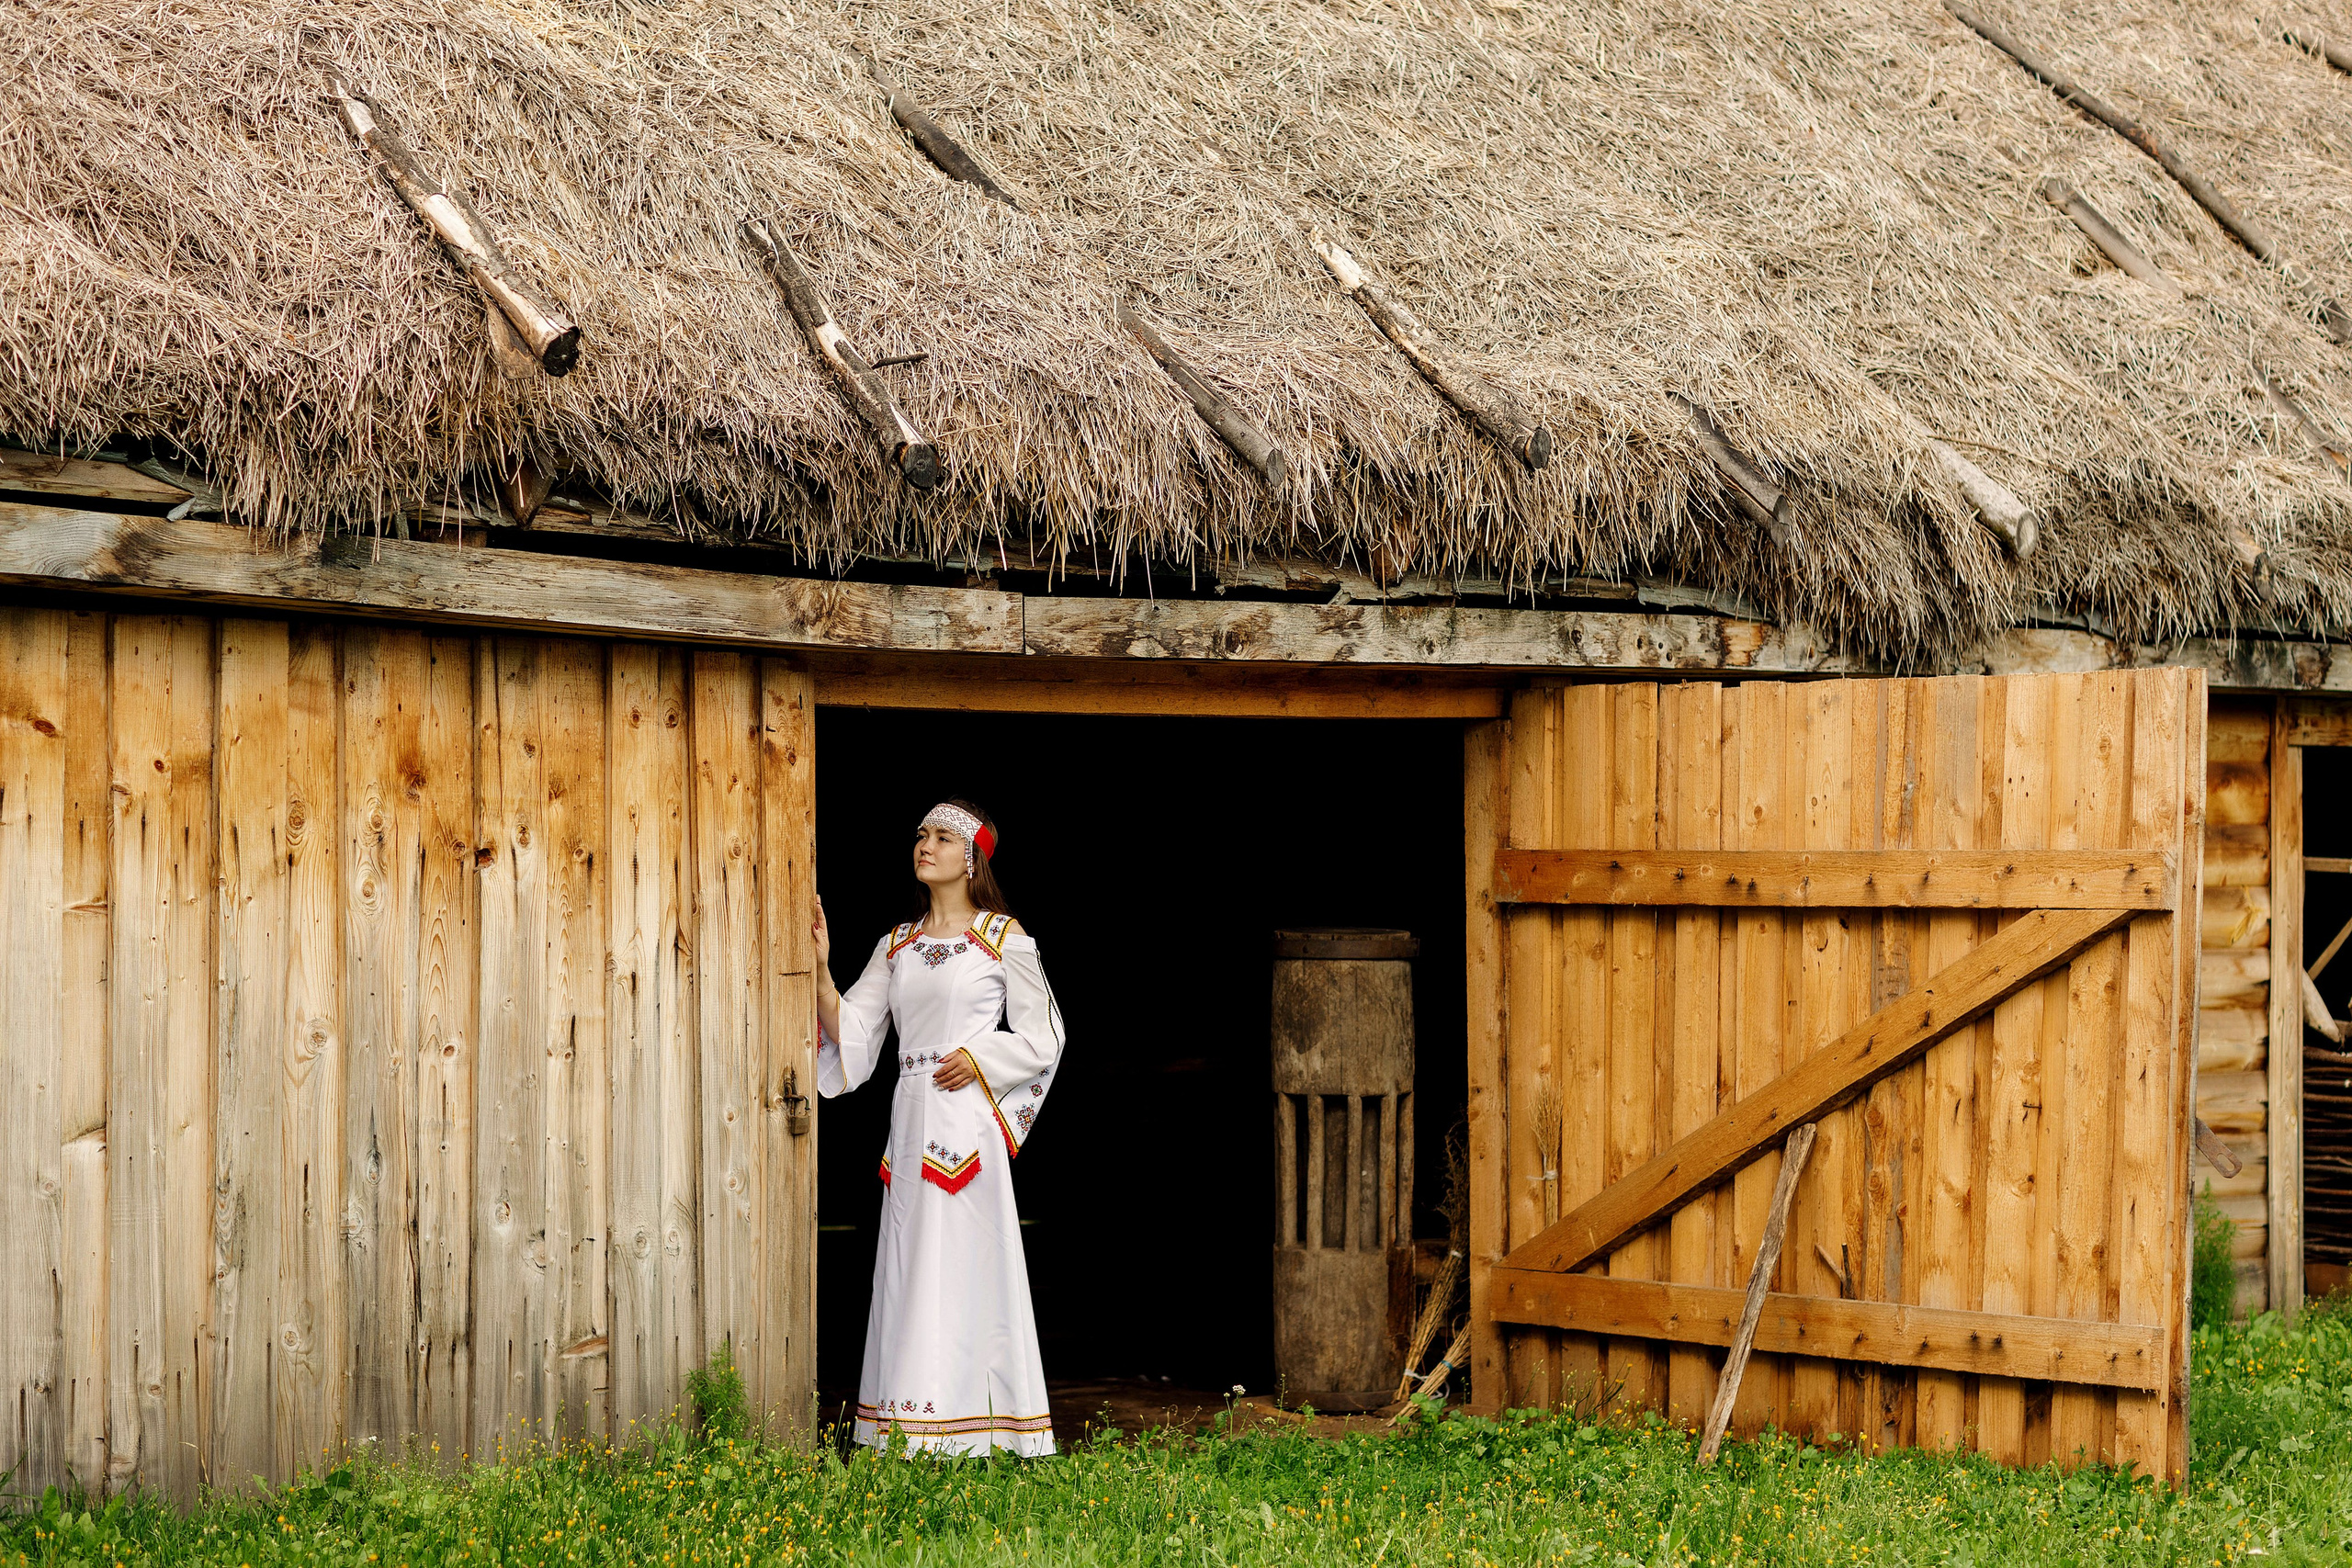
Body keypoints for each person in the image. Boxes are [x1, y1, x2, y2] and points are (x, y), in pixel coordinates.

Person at [814, 798, 1066, 1456]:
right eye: (921, 834)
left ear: (971, 857)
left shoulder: (1004, 939)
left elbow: (1047, 1036)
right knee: (908, 1264)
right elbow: (857, 1037)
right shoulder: (895, 945)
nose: (926, 844)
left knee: (972, 1264)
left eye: (943, 836)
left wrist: (981, 1055)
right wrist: (819, 968)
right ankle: (909, 1428)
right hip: (910, 1121)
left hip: (969, 1125)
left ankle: (988, 1428)